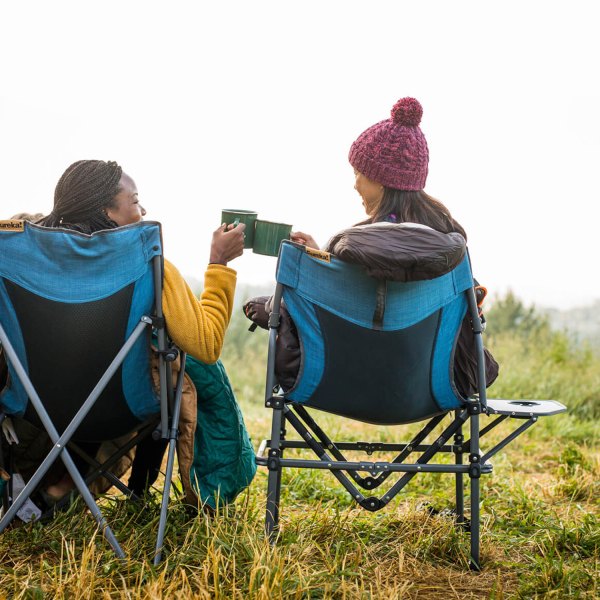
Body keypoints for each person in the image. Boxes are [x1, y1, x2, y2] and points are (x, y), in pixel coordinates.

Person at [6, 160, 256, 508]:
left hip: (31, 408)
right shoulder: (148, 266)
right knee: (178, 368)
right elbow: (206, 344)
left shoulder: (19, 261)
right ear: (106, 210)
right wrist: (218, 264)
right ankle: (107, 491)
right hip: (123, 405)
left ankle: (50, 487)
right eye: (136, 201)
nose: (143, 210)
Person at [245, 97, 498, 397]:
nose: (354, 185)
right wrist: (323, 258)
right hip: (429, 391)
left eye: (358, 174)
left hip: (335, 385)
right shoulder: (450, 251)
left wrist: (321, 266)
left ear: (381, 181)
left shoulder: (350, 246)